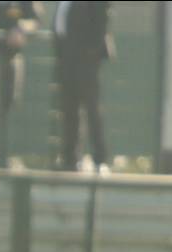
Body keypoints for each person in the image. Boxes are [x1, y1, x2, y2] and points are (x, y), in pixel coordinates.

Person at [53, 1, 114, 173]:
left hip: (86, 59)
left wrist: (91, 52)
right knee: (69, 108)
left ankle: (100, 158)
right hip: (67, 58)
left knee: (92, 108)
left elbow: (101, 18)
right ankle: (70, 158)